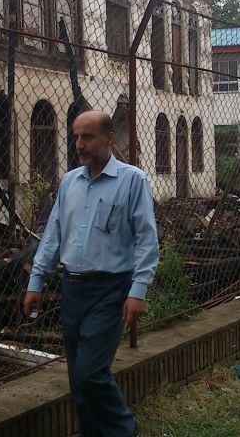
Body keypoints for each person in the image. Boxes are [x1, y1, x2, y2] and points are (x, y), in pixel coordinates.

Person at [23, 109, 159, 437]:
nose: (79, 144)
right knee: (77, 379)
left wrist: (137, 290)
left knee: (89, 373)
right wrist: (35, 281)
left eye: (87, 137)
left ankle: (125, 431)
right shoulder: (70, 182)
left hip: (111, 289)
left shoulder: (132, 180)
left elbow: (146, 238)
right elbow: (53, 234)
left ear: (109, 138)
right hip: (73, 288)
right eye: (76, 137)